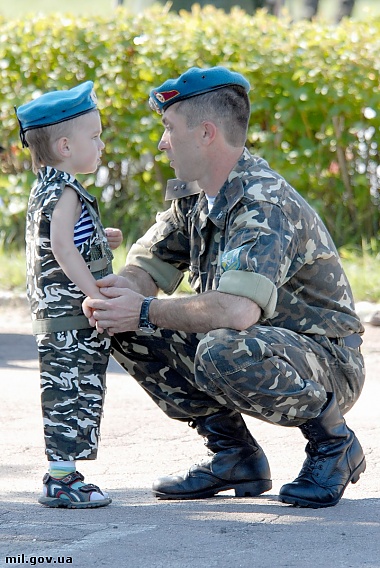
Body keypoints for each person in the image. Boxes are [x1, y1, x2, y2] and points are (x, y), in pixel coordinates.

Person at [83, 66, 366, 509]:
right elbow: (145, 267)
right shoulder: (196, 198)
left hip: (326, 360)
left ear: (206, 134)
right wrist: (111, 295)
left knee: (220, 346)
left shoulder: (262, 202)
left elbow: (237, 312)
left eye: (169, 129)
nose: (162, 143)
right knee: (124, 325)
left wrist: (141, 309)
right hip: (259, 342)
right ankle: (234, 455)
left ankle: (334, 444)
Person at [16, 81, 123, 508]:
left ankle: (67, 474)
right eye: (94, 137)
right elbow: (61, 248)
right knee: (70, 395)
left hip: (59, 315)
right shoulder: (65, 192)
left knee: (74, 393)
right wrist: (94, 292)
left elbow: (65, 241)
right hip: (69, 317)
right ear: (64, 146)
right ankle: (60, 480)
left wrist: (100, 236)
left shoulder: (46, 188)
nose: (101, 145)